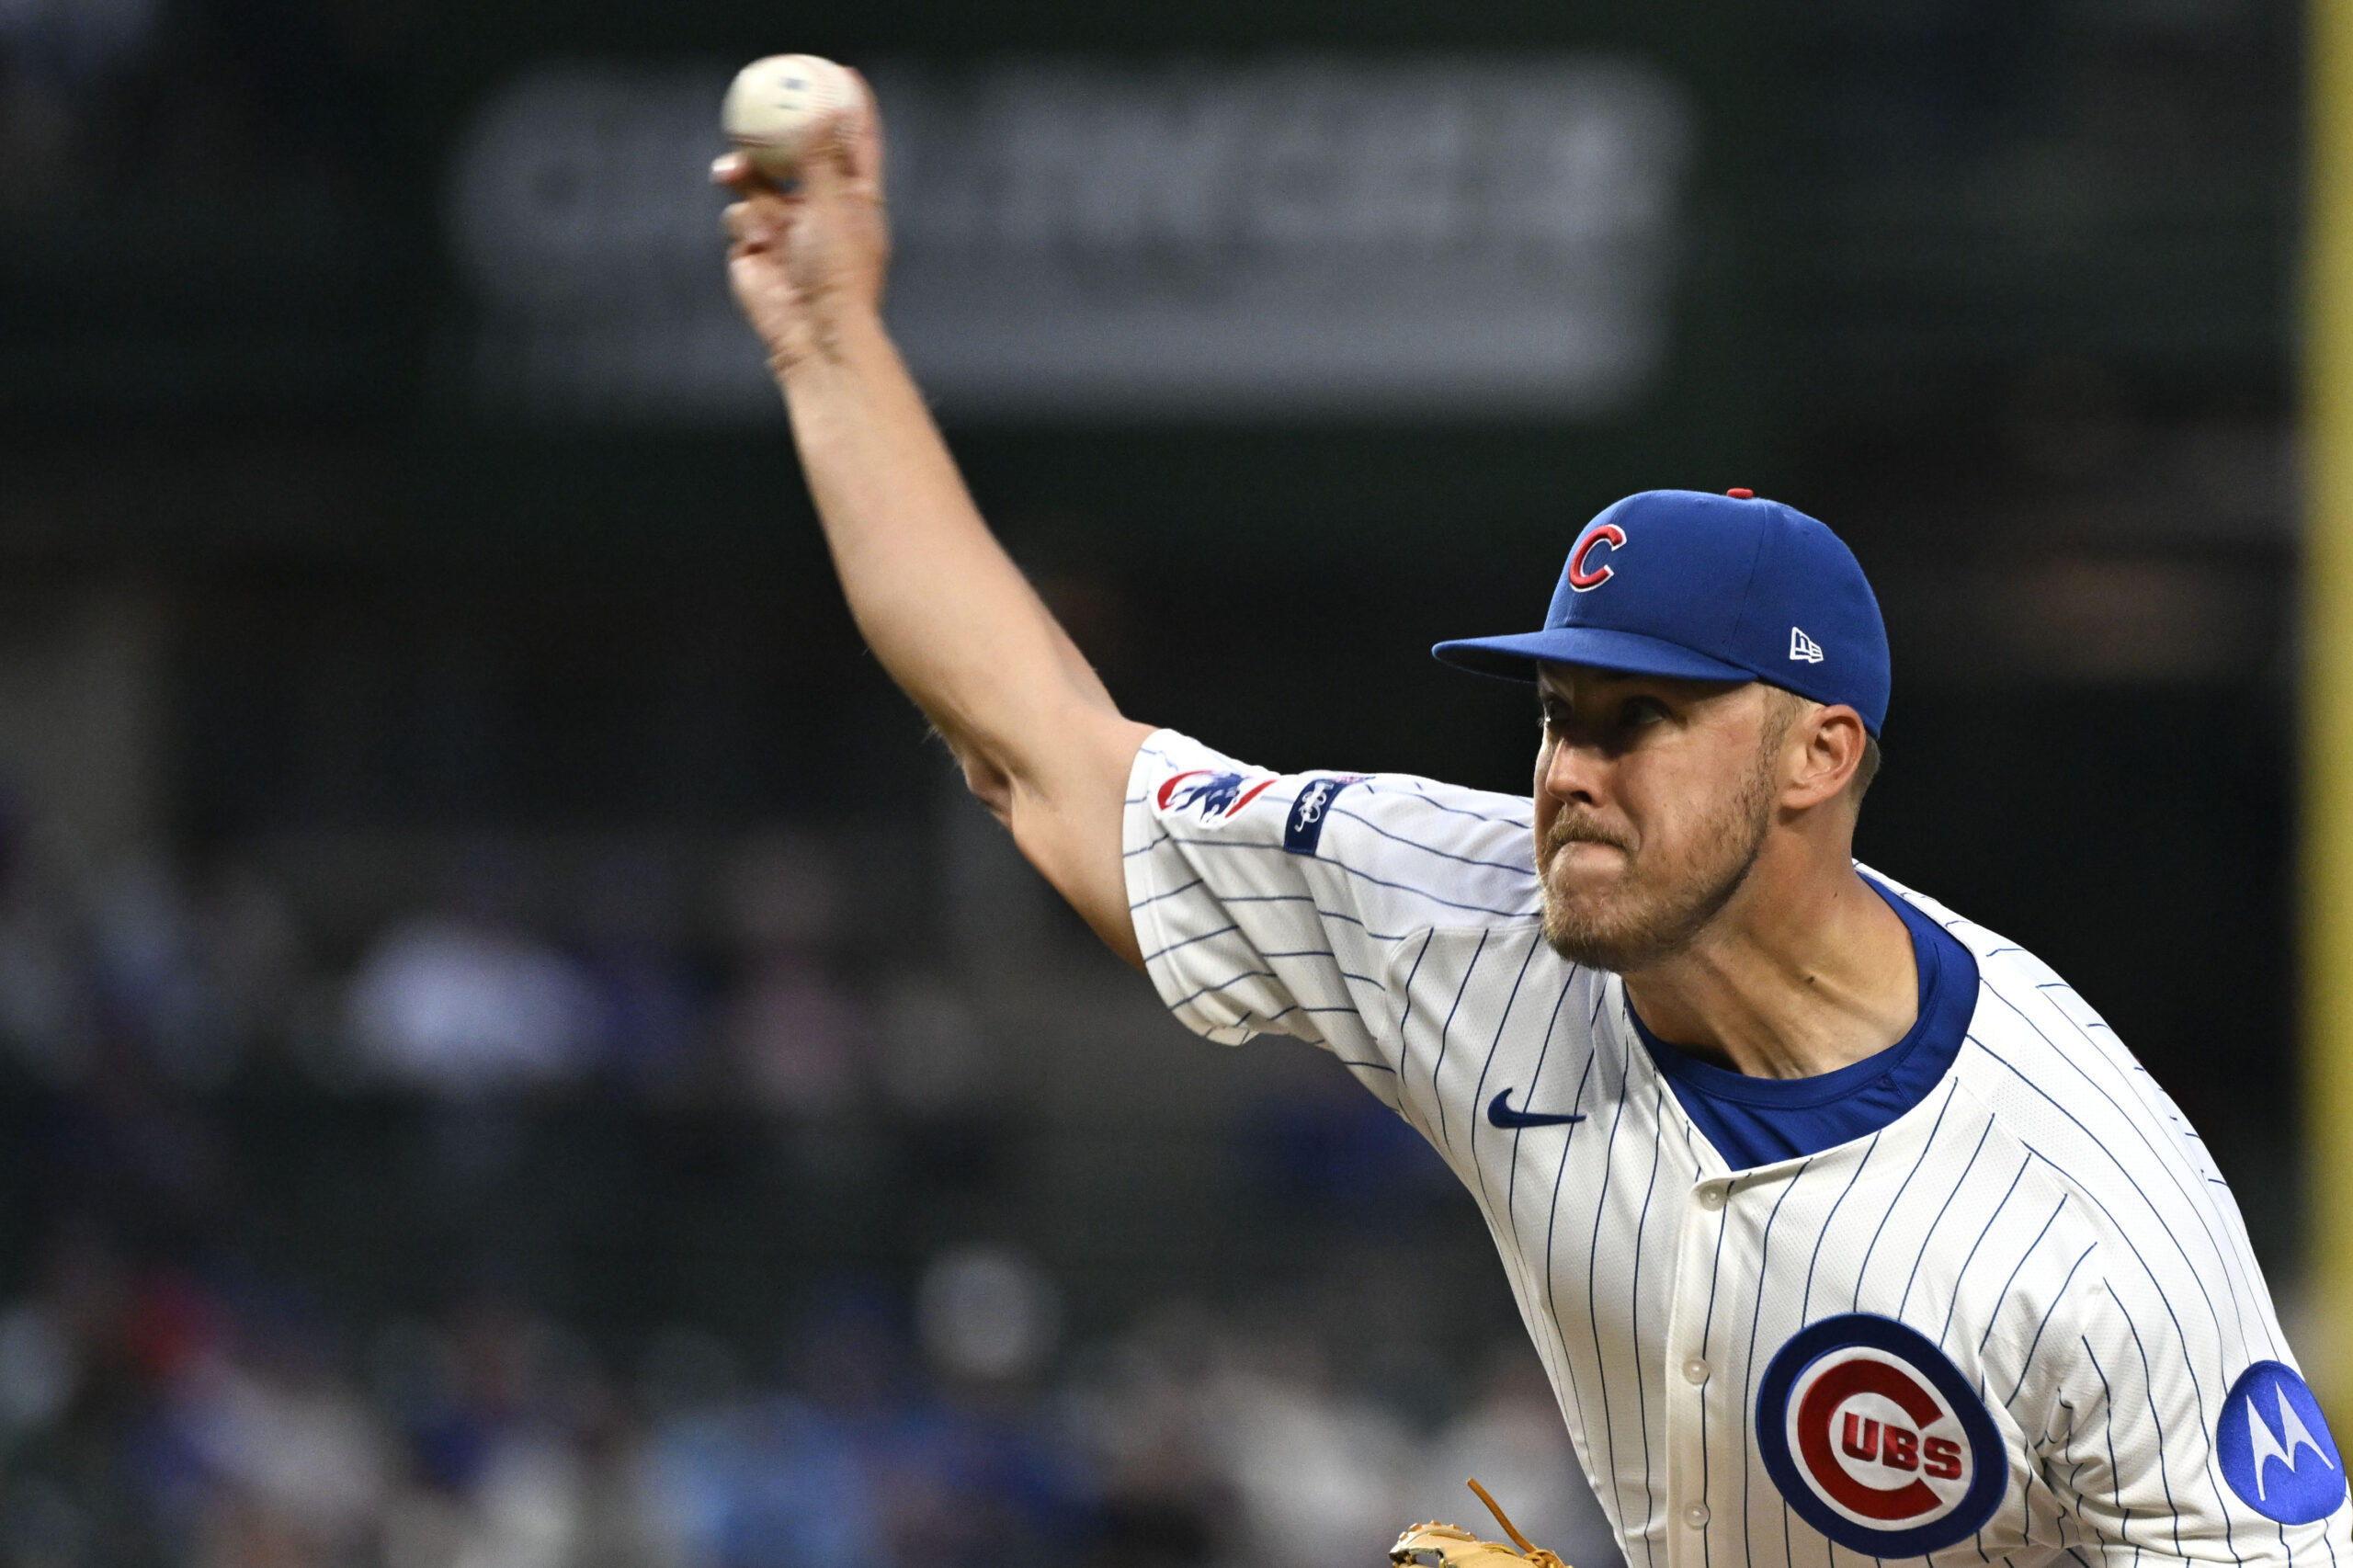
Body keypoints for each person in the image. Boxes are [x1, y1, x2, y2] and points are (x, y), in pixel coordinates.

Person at [710, 82, 2348, 1568]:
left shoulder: (2094, 1205)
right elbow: (1045, 753)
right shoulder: (1463, 901)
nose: (1570, 769)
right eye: (1560, 711)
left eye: (1642, 720)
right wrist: (826, 338)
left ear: (1817, 753)